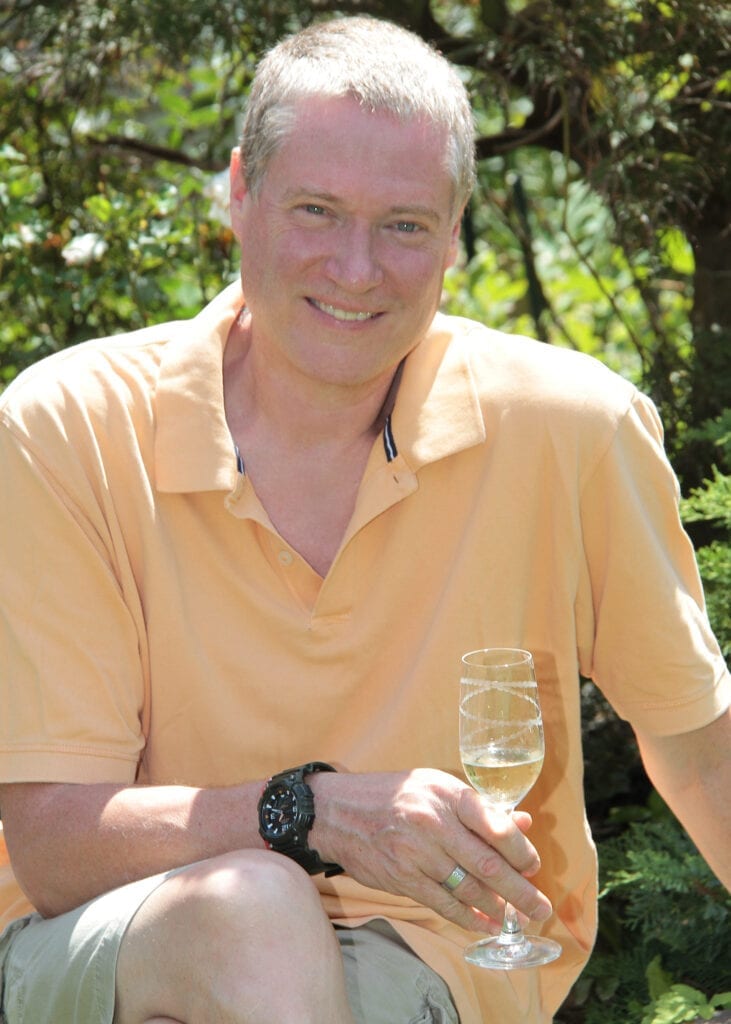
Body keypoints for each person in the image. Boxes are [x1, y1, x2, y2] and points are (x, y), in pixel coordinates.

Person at [0, 14, 729, 1024]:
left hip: (425, 948)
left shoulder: (572, 428)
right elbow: (52, 844)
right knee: (253, 910)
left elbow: (696, 750)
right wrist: (312, 814)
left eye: (404, 226)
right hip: (107, 936)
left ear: (455, 234)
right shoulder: (68, 425)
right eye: (315, 211)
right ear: (239, 193)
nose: (355, 268)